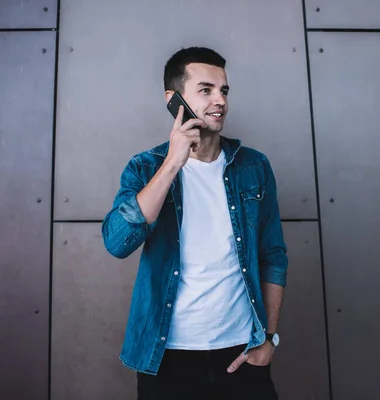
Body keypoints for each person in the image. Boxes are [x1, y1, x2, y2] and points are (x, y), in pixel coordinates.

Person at [101, 46, 288, 399]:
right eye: (206, 90)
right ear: (174, 100)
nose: (220, 101)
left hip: (241, 353)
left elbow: (273, 256)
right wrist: (172, 163)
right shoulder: (145, 167)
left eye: (224, 90)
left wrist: (268, 337)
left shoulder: (254, 167)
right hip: (167, 358)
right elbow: (116, 242)